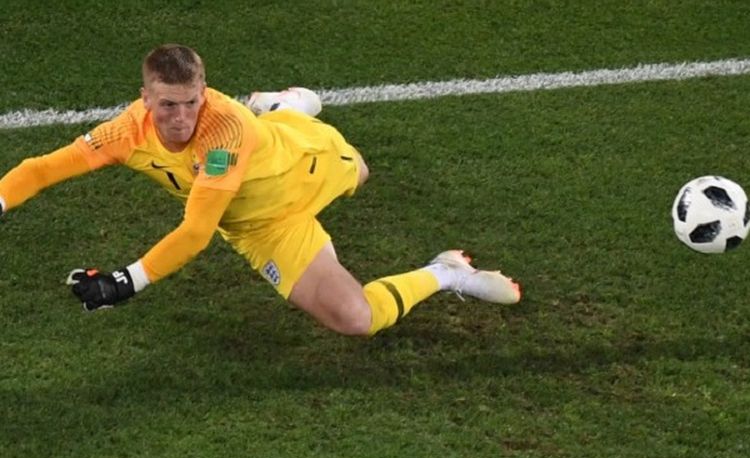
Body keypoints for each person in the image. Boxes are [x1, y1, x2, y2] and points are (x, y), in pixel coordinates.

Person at [0, 44, 521, 337]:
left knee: (361, 170)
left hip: (305, 164)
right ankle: (445, 271)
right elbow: (42, 169)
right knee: (355, 319)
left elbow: (197, 230)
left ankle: (286, 108)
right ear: (145, 98)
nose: (181, 118)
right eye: (167, 105)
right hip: (264, 226)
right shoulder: (124, 133)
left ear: (204, 93)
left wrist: (125, 282)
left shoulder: (224, 131)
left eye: (191, 103)